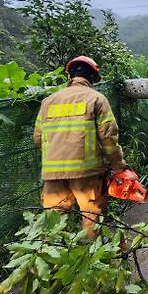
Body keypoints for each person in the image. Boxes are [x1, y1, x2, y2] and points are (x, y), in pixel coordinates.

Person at [34, 55, 130, 238]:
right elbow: (109, 138)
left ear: (69, 76)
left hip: (53, 175)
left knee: (52, 224)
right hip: (87, 173)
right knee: (91, 218)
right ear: (93, 78)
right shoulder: (97, 99)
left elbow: (38, 139)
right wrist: (118, 166)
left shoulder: (48, 102)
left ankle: (51, 262)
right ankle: (90, 259)